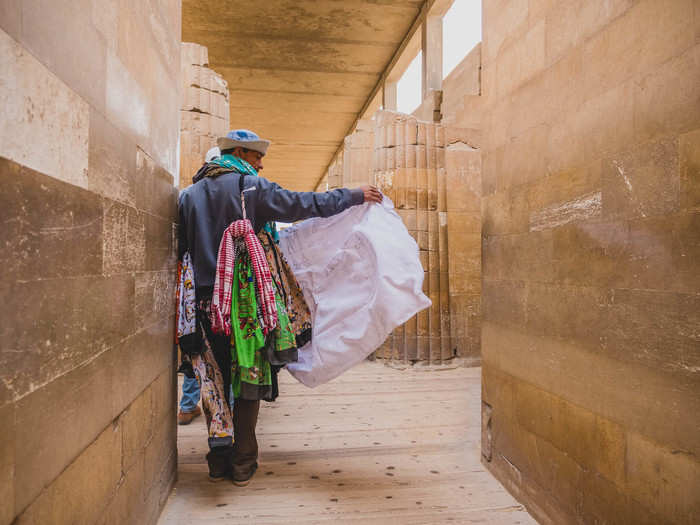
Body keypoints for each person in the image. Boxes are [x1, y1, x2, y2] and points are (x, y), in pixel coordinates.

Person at [178, 129, 382, 486]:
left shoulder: (188, 196)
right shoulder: (250, 187)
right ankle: (243, 462)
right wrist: (353, 195)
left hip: (203, 306)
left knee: (212, 377)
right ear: (240, 153)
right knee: (246, 377)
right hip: (246, 306)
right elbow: (305, 203)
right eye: (257, 156)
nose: (261, 163)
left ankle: (217, 458)